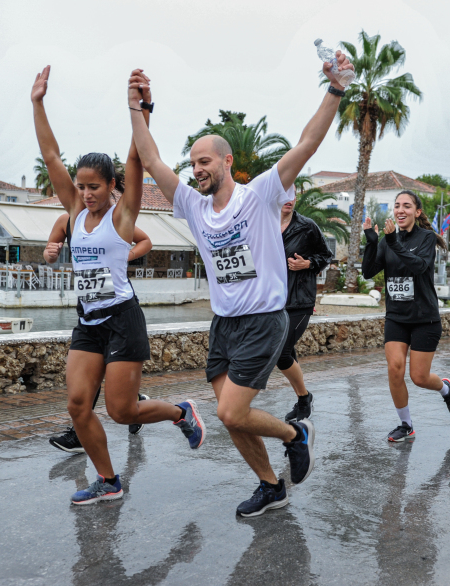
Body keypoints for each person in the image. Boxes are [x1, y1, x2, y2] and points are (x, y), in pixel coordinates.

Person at [127, 55, 355, 517]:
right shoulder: (192, 206)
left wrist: (335, 89)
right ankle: (271, 486)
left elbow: (307, 144)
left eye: (205, 161)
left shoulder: (261, 195)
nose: (197, 170)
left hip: (264, 320)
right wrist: (137, 107)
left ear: (227, 161)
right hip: (224, 325)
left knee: (230, 412)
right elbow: (149, 159)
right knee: (234, 419)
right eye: (193, 163)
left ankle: (295, 434)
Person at [32, 66, 205, 506]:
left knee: (122, 410)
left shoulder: (122, 215)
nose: (86, 194)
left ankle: (181, 412)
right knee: (77, 405)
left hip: (123, 320)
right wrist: (38, 102)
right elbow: (51, 157)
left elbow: (136, 159)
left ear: (111, 186)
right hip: (89, 322)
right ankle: (108, 480)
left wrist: (139, 108)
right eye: (81, 187)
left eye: (94, 187)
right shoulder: (74, 213)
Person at [43, 212, 155, 448]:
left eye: (91, 191)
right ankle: (83, 432)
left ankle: (133, 406)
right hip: (89, 310)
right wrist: (50, 254)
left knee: (109, 385)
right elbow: (49, 253)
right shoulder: (66, 221)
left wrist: (127, 255)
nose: (86, 195)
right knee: (87, 379)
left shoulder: (111, 219)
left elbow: (146, 240)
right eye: (80, 191)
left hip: (118, 309)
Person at [362, 191, 450, 443]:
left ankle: (445, 388)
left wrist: (393, 242)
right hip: (396, 317)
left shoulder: (426, 237)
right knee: (395, 369)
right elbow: (368, 272)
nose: (400, 210)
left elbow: (419, 266)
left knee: (419, 377)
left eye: (406, 206)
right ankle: (406, 425)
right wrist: (372, 242)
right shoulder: (387, 240)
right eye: (397, 205)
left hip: (424, 319)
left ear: (417, 212)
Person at [279, 197, 333, 423]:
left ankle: (304, 398)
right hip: (272, 302)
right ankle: (302, 399)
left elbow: (326, 255)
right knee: (287, 353)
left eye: (291, 194)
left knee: (281, 353)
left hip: (300, 301)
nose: (288, 199)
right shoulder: (263, 223)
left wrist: (307, 264)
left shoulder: (306, 226)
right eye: (283, 193)